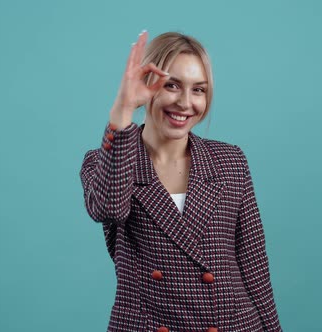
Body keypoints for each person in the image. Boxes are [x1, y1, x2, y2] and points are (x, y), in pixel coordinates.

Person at [80, 30, 282, 332]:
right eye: (172, 85)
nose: (185, 103)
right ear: (146, 87)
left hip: (233, 324)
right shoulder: (104, 161)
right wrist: (122, 110)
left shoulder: (229, 161)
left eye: (198, 90)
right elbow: (108, 209)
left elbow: (253, 264)